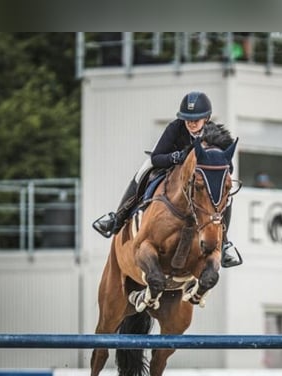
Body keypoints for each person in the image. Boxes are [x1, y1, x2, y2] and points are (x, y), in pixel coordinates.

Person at [92, 91, 242, 268]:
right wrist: (176, 157)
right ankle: (117, 218)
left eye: (196, 119)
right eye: (188, 119)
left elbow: (228, 166)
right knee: (144, 169)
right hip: (171, 168)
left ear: (207, 118)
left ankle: (224, 244)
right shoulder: (175, 128)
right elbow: (156, 157)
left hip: (201, 181)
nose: (191, 123)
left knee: (228, 196)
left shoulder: (215, 135)